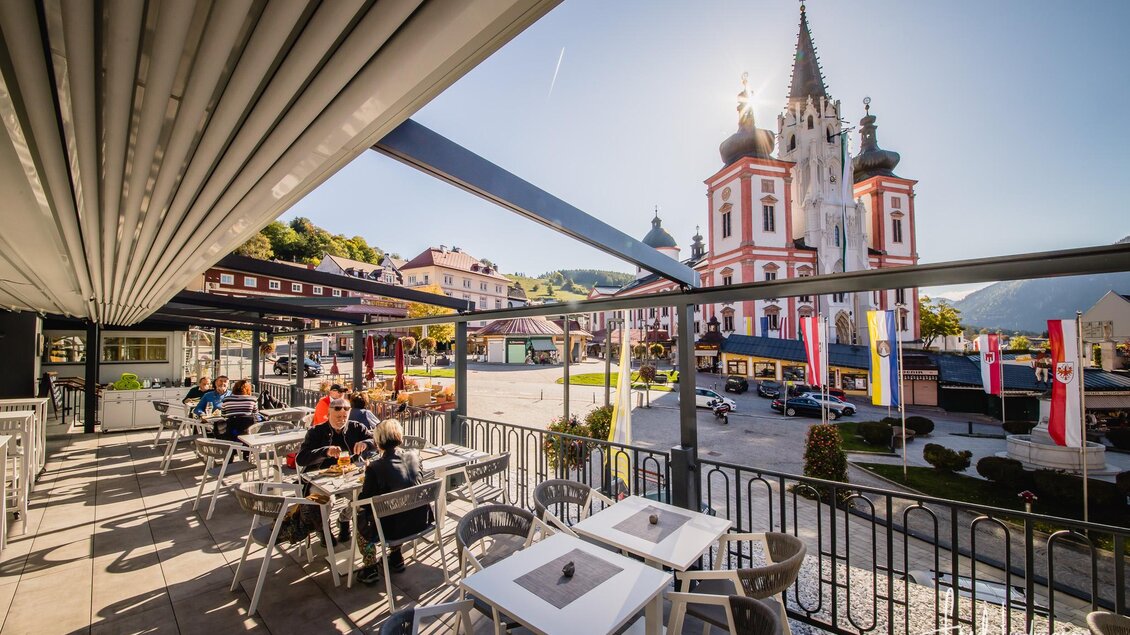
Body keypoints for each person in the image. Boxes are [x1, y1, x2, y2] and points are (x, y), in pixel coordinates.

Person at [355, 418, 433, 585]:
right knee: (395, 507)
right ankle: (396, 556)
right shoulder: (414, 456)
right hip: (420, 521)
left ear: (378, 443)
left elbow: (364, 501)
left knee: (361, 516)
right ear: (400, 437)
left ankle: (369, 567)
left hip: (392, 530)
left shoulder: (375, 467)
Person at [296, 397, 376, 543]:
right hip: (321, 477)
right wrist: (324, 452)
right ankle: (323, 529)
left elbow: (375, 441)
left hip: (349, 475)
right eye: (337, 416)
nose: (341, 420)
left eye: (345, 416)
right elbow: (301, 459)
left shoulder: (356, 427)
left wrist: (365, 444)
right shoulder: (316, 432)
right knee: (325, 500)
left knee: (365, 496)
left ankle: (344, 519)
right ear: (328, 414)